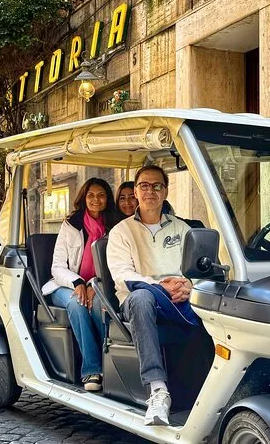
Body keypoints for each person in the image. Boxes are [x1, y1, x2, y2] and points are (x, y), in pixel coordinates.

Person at [107, 165, 193, 426]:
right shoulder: (121, 231)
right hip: (139, 298)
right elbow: (122, 274)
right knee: (142, 298)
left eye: (157, 186)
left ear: (165, 191)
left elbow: (198, 268)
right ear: (135, 191)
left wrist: (188, 285)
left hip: (179, 298)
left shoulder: (183, 229)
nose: (150, 191)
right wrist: (159, 287)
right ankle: (157, 390)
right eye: (144, 185)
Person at [42, 177, 120, 392]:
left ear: (107, 199)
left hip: (98, 286)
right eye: (91, 195)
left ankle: (111, 364)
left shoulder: (114, 226)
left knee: (99, 306)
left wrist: (93, 284)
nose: (96, 199)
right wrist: (77, 282)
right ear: (84, 198)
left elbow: (113, 264)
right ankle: (91, 369)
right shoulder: (70, 225)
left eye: (101, 195)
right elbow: (57, 266)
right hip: (64, 285)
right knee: (78, 304)